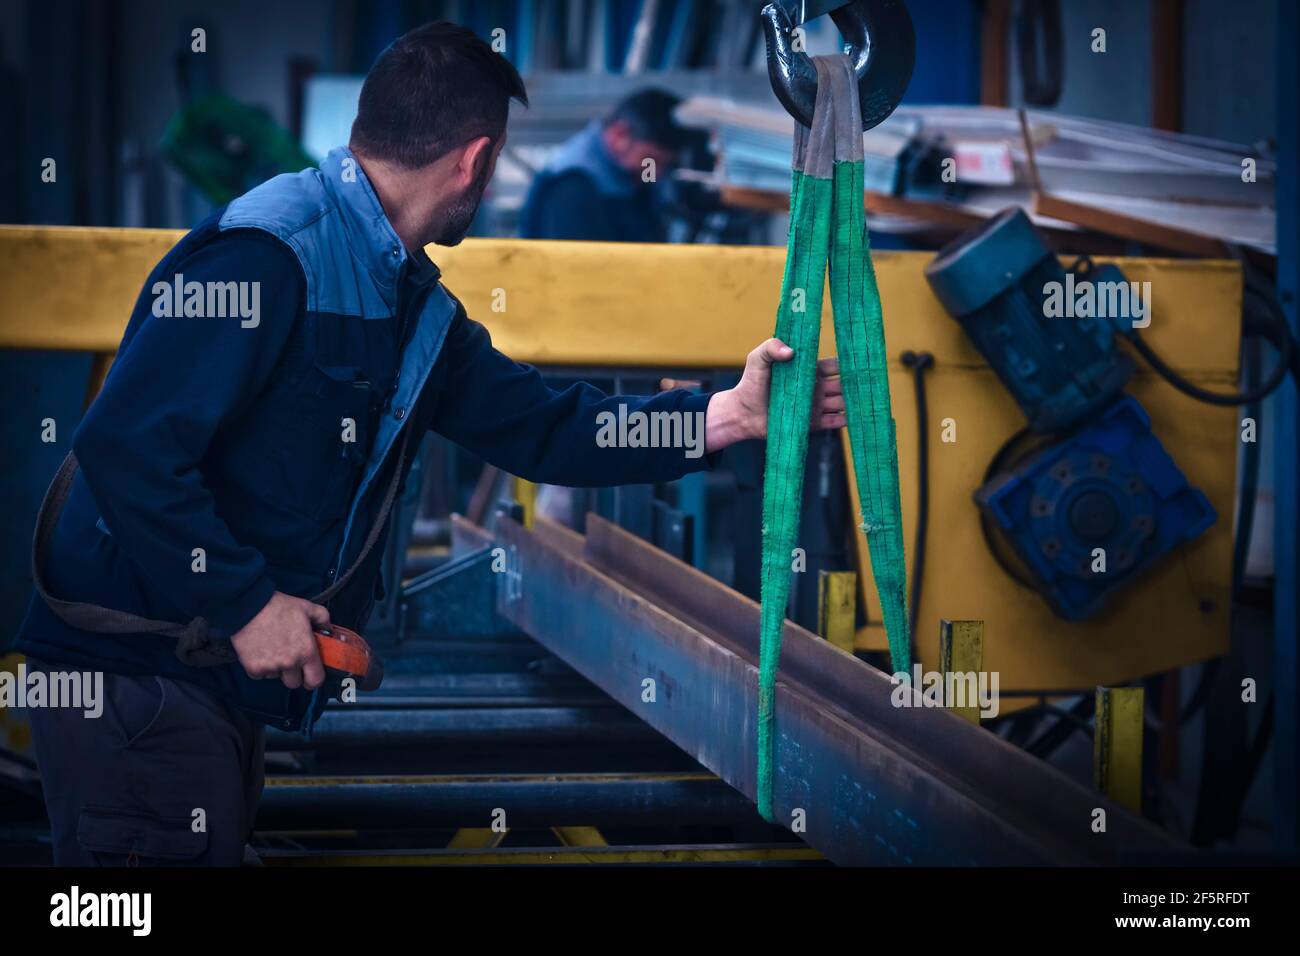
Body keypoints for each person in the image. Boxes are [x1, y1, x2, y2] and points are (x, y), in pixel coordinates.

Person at [16, 21, 845, 866]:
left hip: (207, 682)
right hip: (133, 680)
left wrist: (725, 417)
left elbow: (548, 426)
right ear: (475, 160)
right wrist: (246, 606)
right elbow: (125, 446)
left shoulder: (410, 306)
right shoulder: (267, 256)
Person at [520, 88, 690, 242]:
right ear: (619, 135)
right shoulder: (573, 186)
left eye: (665, 165)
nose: (656, 173)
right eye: (651, 160)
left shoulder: (634, 175)